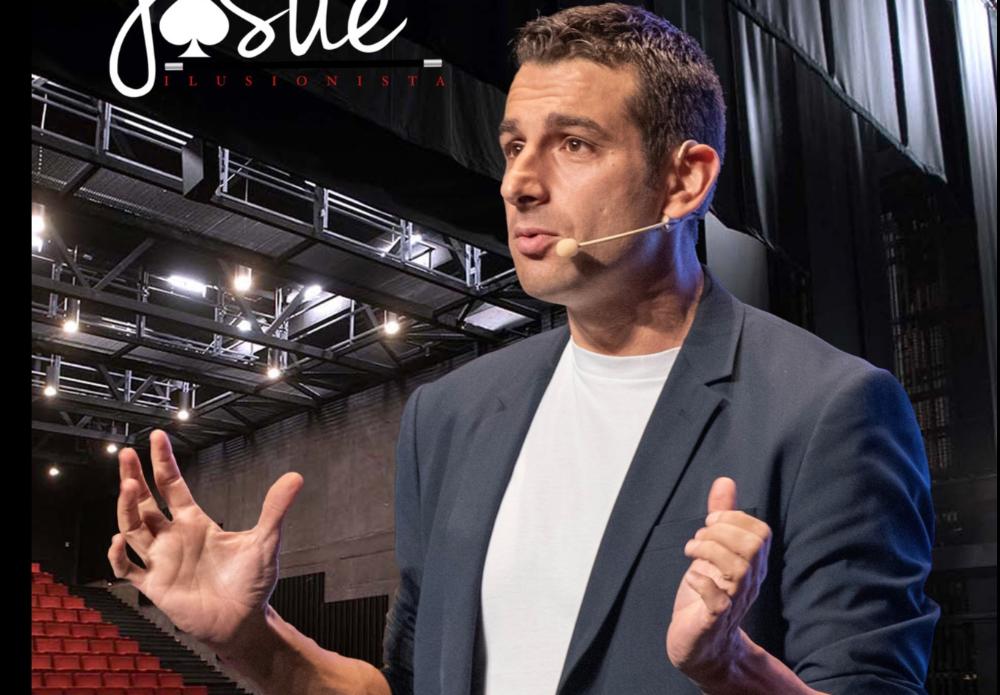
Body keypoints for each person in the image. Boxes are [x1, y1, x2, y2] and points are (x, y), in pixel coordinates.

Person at [108, 4, 939, 694]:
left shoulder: (831, 410)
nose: (518, 183)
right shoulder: (448, 415)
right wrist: (250, 638)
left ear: (683, 180)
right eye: (513, 146)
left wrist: (732, 670)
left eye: (573, 144)